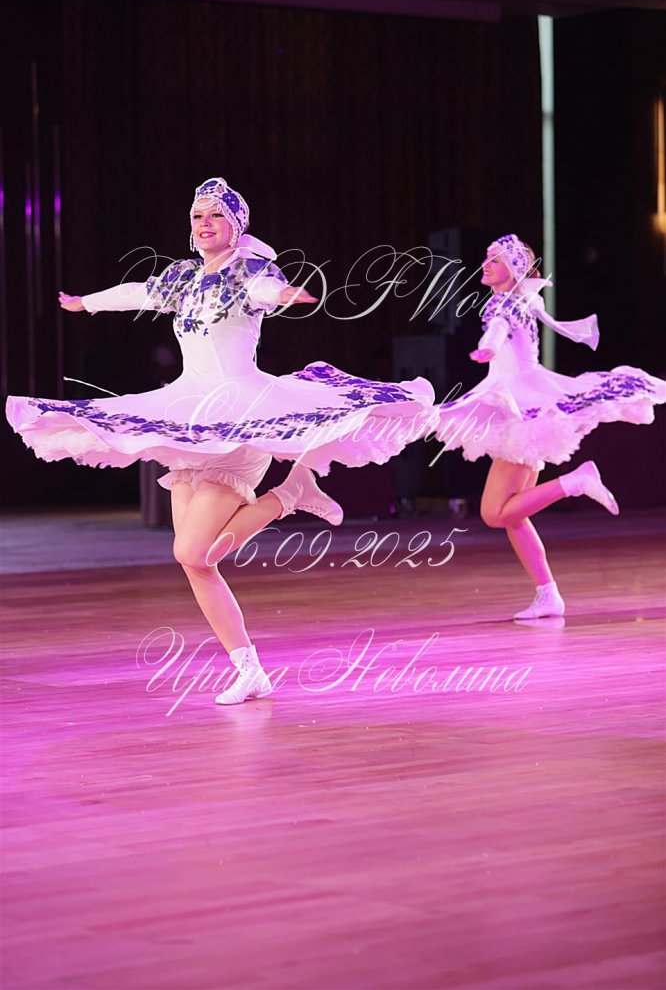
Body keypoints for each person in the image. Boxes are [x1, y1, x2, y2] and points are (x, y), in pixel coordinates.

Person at [5, 176, 436, 703]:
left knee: (192, 549)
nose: (205, 224)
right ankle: (249, 669)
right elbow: (139, 292)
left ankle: (287, 497)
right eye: (197, 216)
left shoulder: (249, 271)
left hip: (240, 420)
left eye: (216, 216)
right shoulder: (183, 277)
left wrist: (284, 294)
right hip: (190, 421)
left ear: (236, 225)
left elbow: (263, 291)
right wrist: (86, 302)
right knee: (196, 561)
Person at [431, 233, 666, 619]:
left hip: (521, 411)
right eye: (487, 258)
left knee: (494, 514)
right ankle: (548, 595)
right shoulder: (518, 300)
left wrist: (489, 347)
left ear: (513, 270)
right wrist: (492, 347)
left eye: (495, 260)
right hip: (529, 406)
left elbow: (499, 328)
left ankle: (575, 482)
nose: (486, 265)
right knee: (513, 516)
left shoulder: (504, 303)